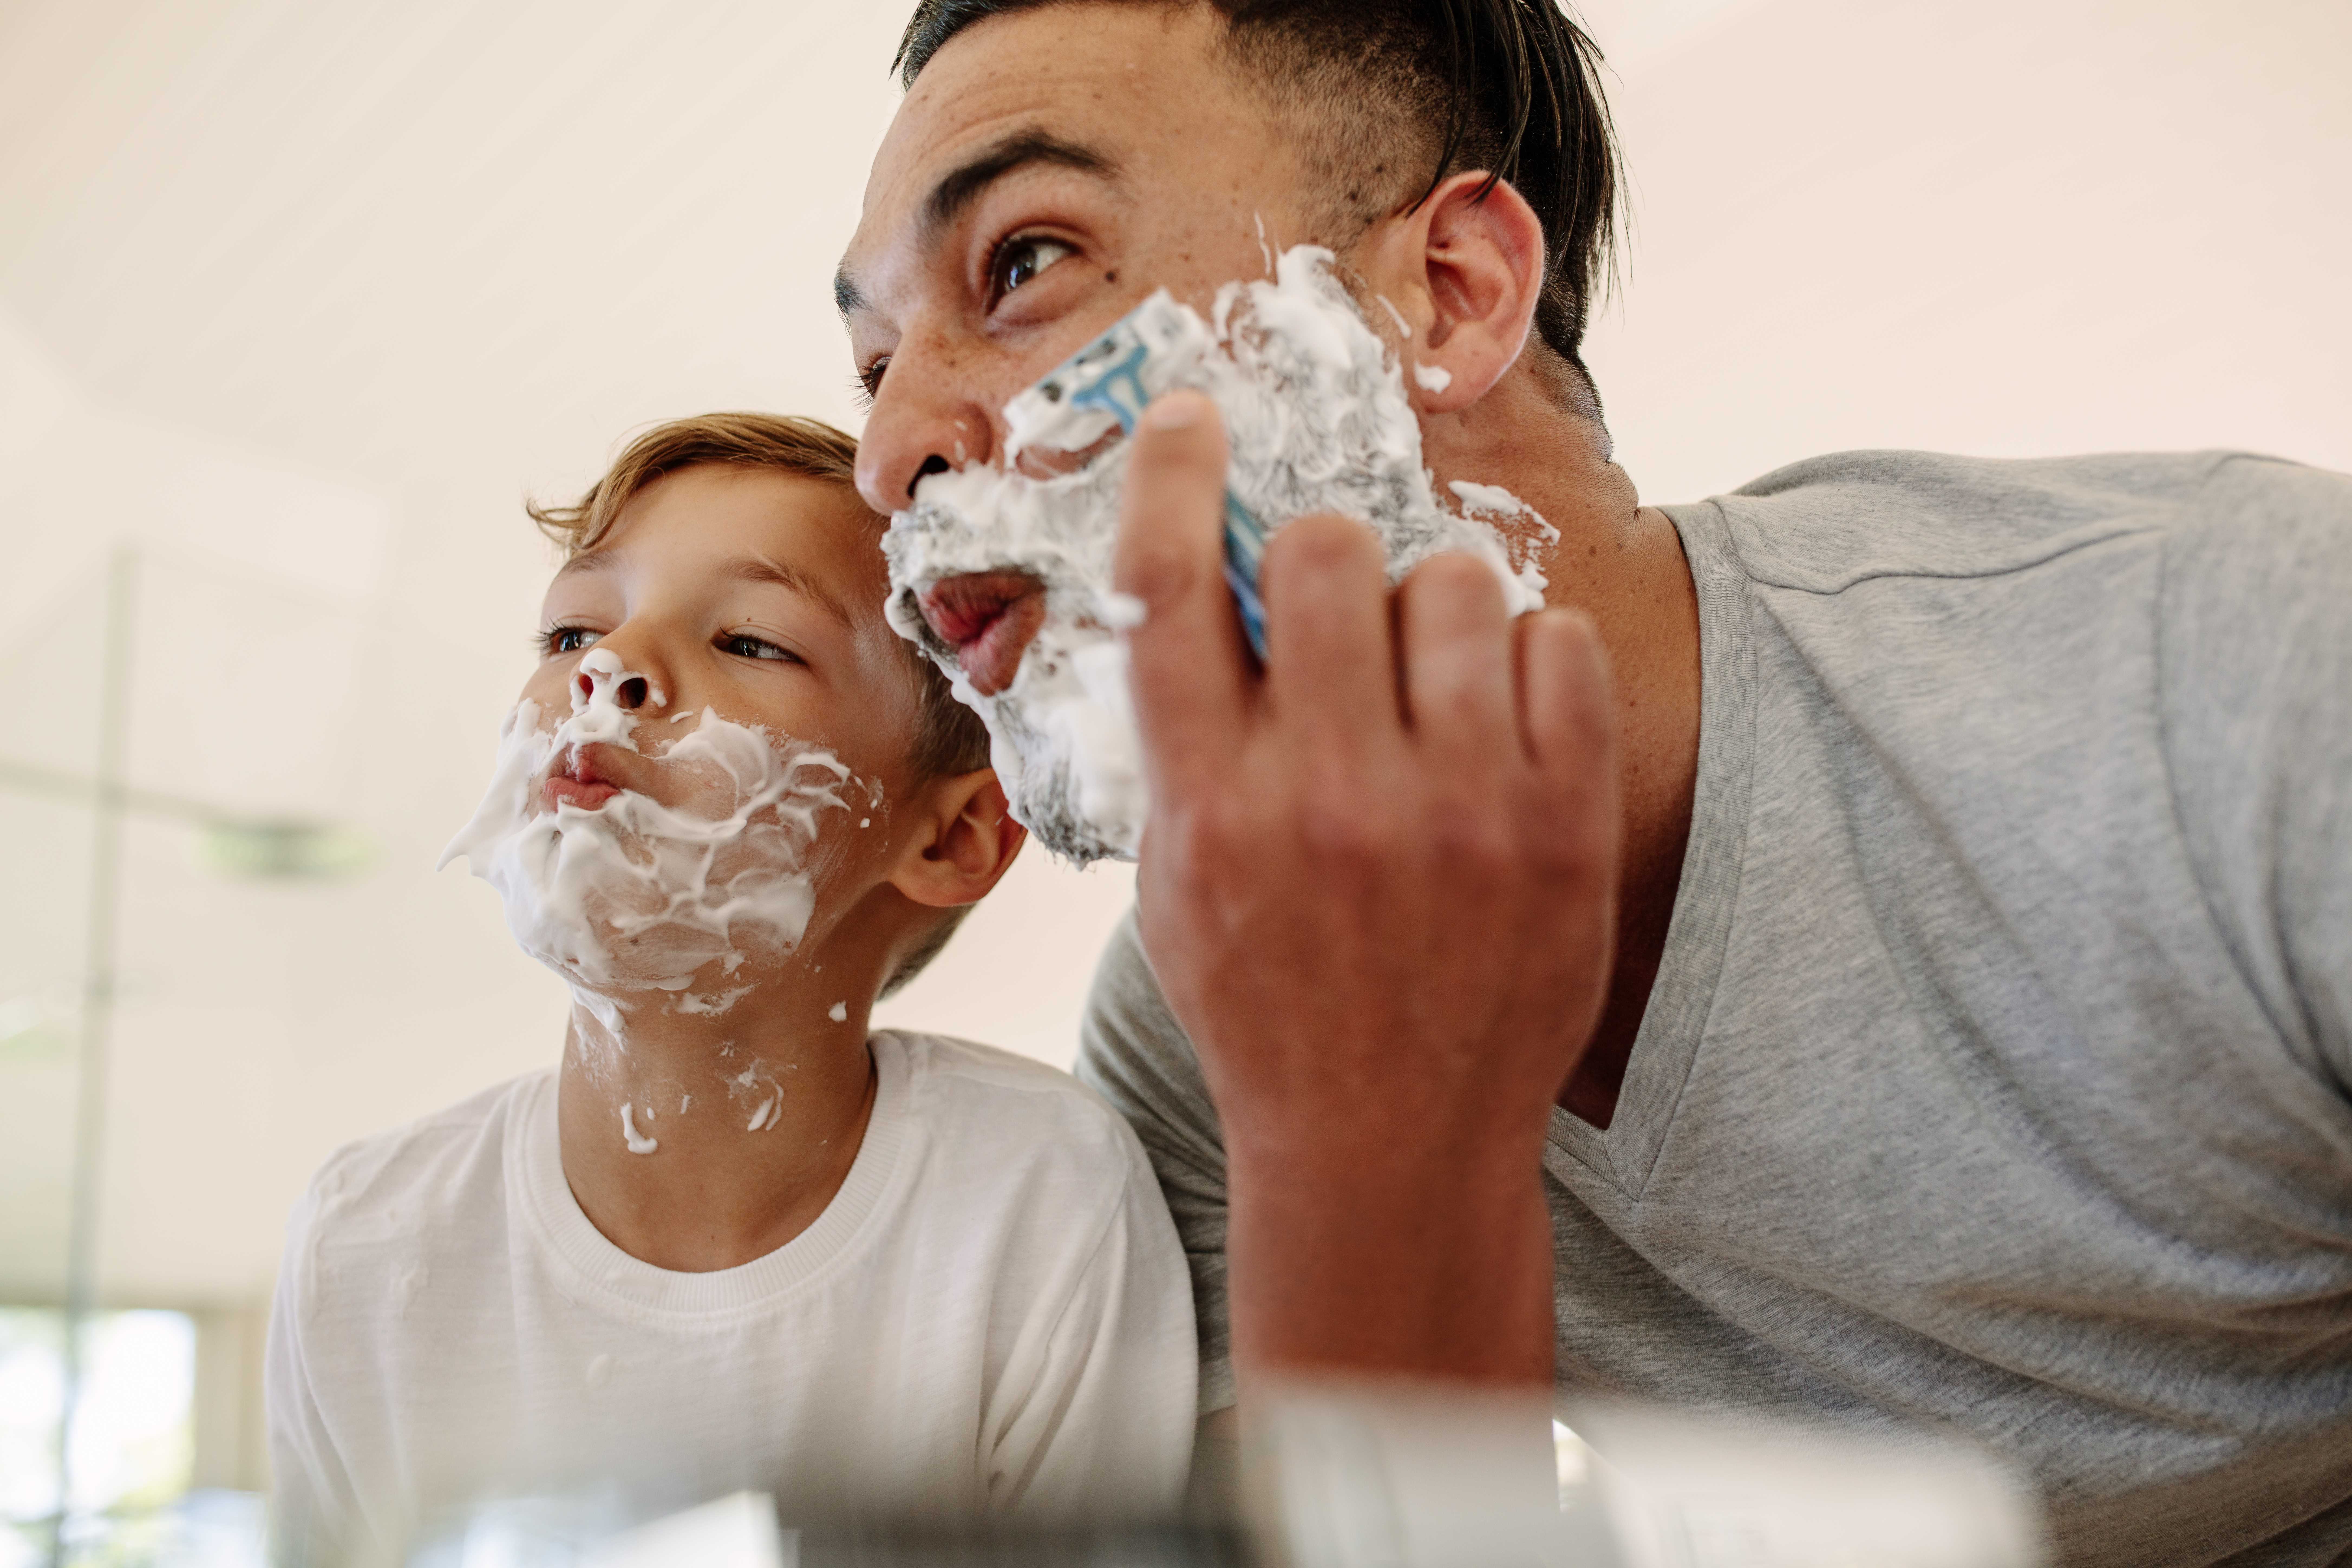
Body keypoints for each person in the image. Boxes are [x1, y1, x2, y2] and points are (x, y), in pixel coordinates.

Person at [834, 2, 2352, 1562]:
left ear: (1447, 294)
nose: (886, 455)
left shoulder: (2239, 663)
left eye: (1022, 264)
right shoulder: (1190, 1039)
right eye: (872, 365)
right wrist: (1359, 1126)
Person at [264, 414, 1196, 1565]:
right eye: (569, 629)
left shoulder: (1034, 1198)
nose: (606, 669)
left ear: (954, 833)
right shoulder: (370, 1238)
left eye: (752, 641)